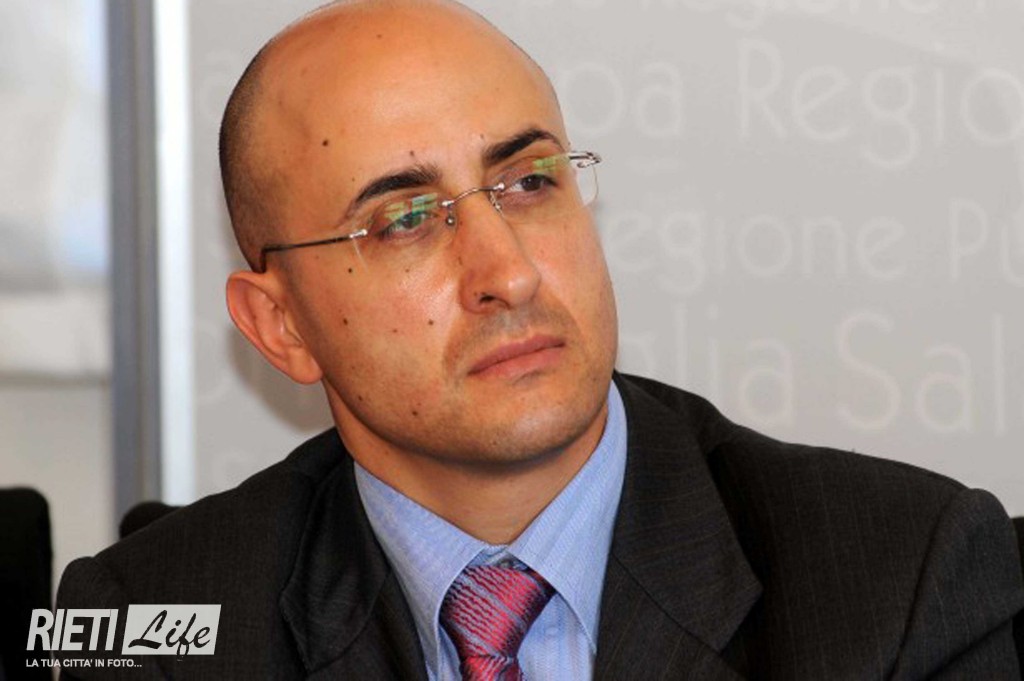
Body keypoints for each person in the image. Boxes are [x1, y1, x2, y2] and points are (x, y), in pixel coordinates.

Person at [57, 0, 1024, 679]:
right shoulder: (142, 623)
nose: (508, 272)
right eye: (404, 220)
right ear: (282, 326)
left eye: (528, 182)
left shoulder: (902, 577)